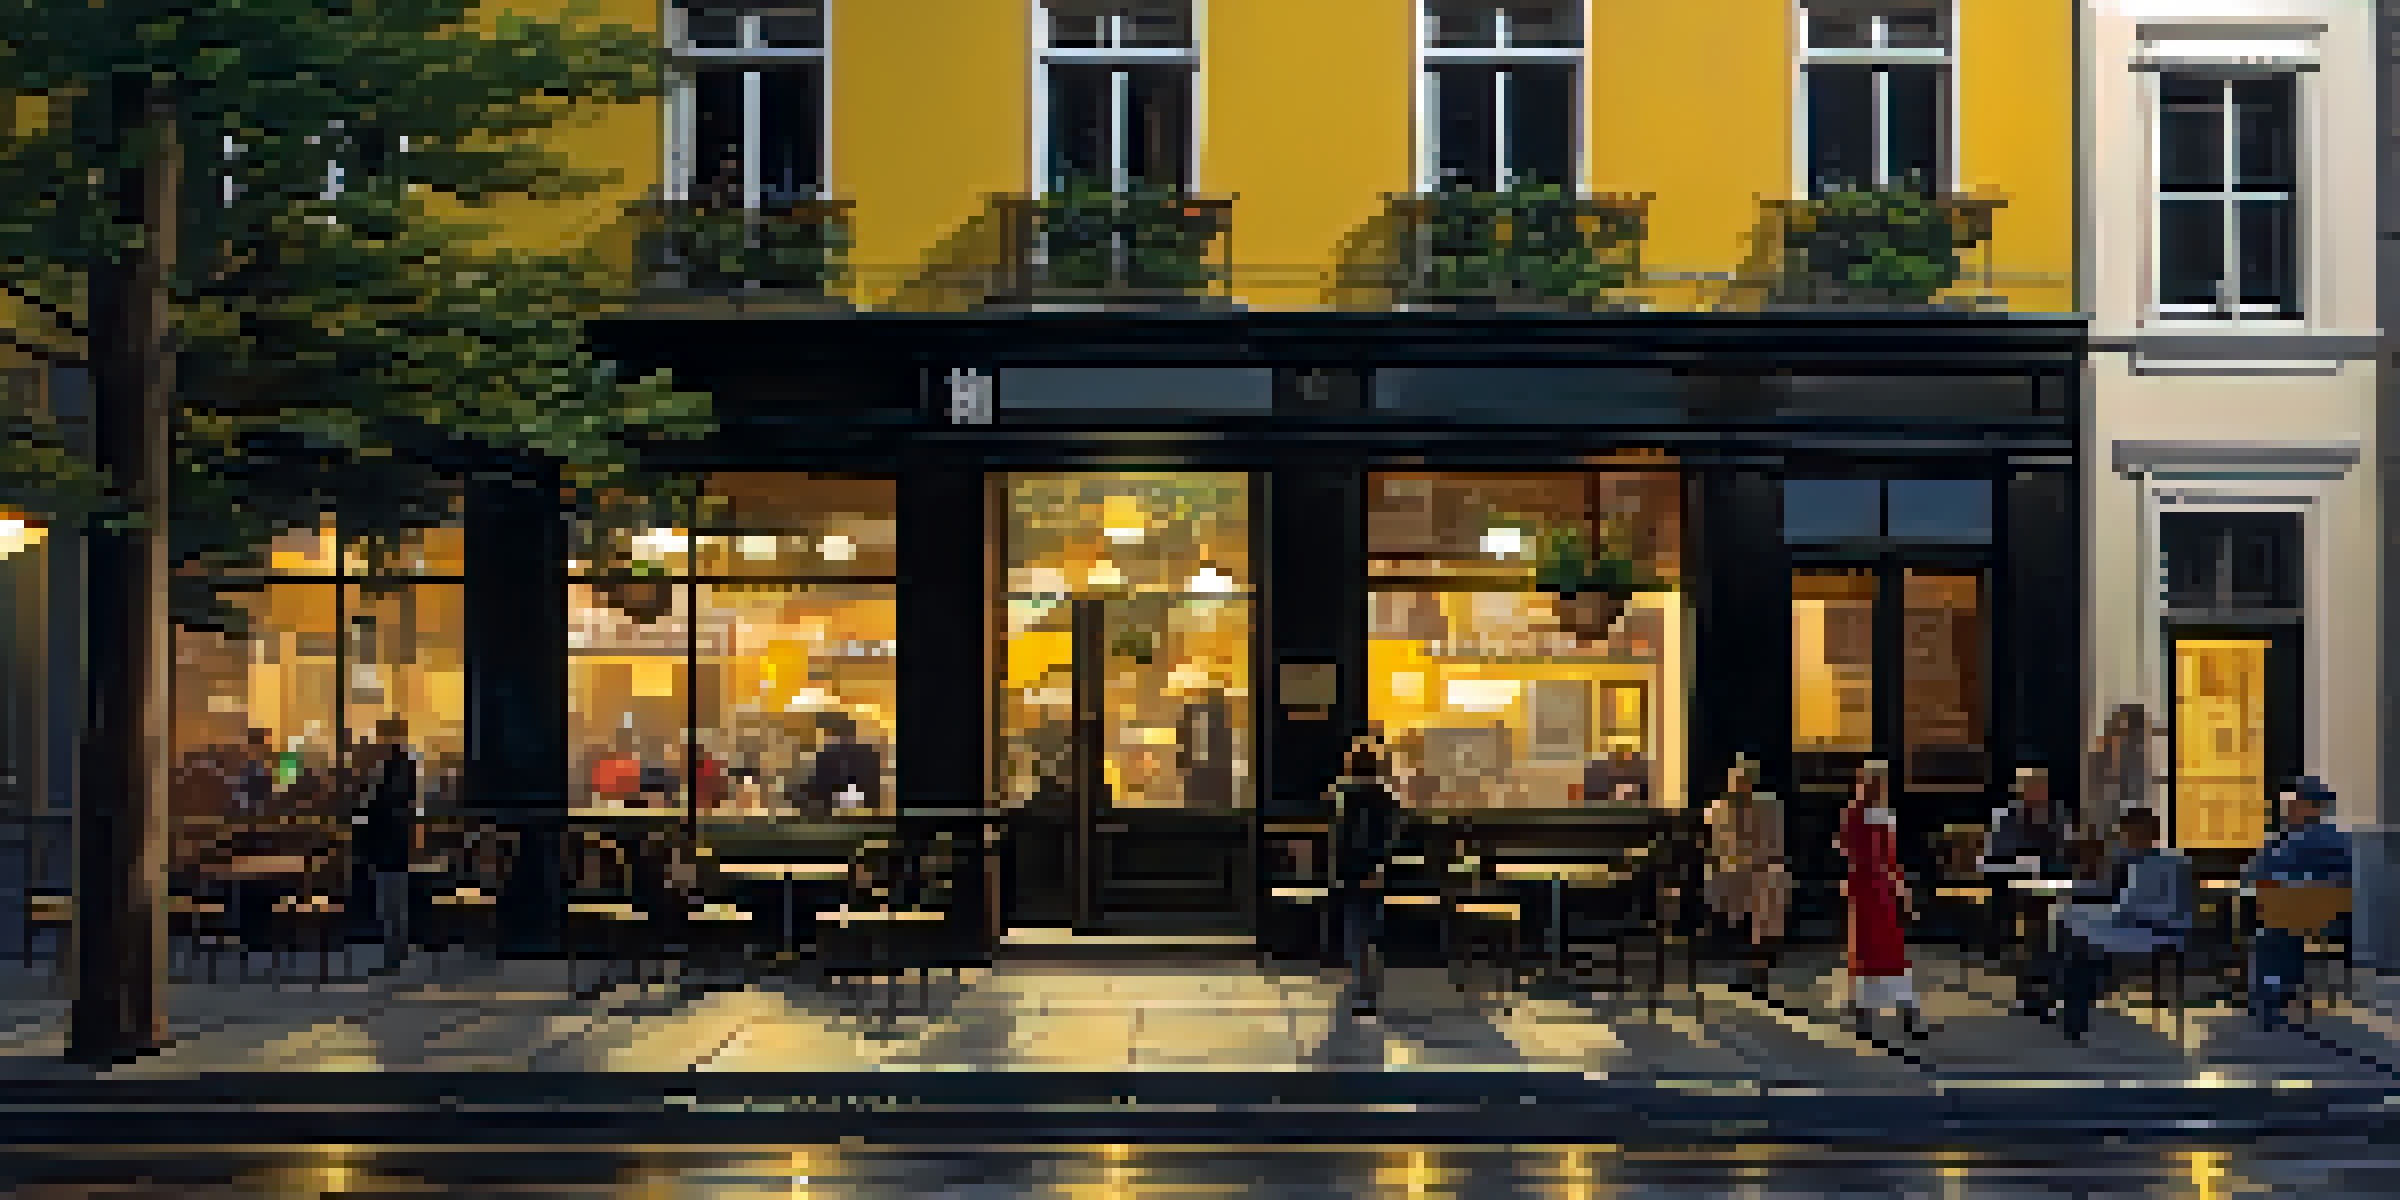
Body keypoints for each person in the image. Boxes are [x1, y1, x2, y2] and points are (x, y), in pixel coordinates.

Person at [2050, 808, 2194, 1044]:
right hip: (2132, 922)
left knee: (2080, 945)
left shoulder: (2168, 863)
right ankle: (2070, 995)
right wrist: (2071, 890)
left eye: (2127, 835)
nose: (2123, 840)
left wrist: (2121, 913)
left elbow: (2172, 911)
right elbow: (2110, 892)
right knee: (2067, 919)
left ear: (2146, 834)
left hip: (2157, 930)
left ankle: (2075, 1013)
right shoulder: (2136, 860)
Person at [2244, 776, 2353, 1032]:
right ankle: (2275, 996)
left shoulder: (2318, 839)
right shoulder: (2294, 839)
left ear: (2312, 807)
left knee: (2271, 940)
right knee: (2273, 935)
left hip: (2316, 915)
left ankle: (2270, 1001)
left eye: (2295, 803)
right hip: (2304, 913)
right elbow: (2256, 873)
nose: (2289, 808)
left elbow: (2258, 873)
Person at [1839, 760, 1926, 1038]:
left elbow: (1889, 859)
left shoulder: (1880, 814)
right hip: (1868, 891)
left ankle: (1899, 1012)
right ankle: (1868, 1013)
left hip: (1881, 892)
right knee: (1870, 954)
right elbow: (1855, 853)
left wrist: (1901, 890)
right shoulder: (1856, 813)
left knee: (1888, 954)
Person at [1330, 742, 1402, 1017]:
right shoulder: (1385, 798)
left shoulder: (1347, 796)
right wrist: (1379, 866)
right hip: (1375, 870)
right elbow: (1389, 837)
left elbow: (1342, 836)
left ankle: (1361, 987)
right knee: (1372, 929)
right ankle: (1368, 986)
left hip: (1352, 869)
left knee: (1355, 929)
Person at [353, 717, 418, 968]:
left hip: (390, 841)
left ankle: (395, 952)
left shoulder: (395, 765)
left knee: (391, 900)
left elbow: (388, 803)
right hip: (392, 840)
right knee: (392, 899)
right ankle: (395, 950)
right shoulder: (396, 764)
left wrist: (367, 806)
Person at [1982, 766, 2066, 874]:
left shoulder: (2057, 816)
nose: (2038, 791)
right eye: (2031, 786)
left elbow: (2062, 858)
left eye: (2041, 785)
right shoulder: (2004, 817)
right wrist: (2030, 863)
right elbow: (1991, 864)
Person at [806, 712, 882, 815]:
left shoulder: (827, 753)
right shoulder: (867, 751)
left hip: (834, 803)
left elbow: (818, 782)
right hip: (860, 803)